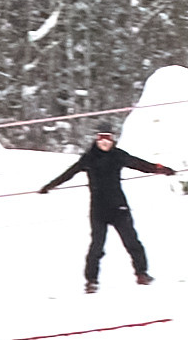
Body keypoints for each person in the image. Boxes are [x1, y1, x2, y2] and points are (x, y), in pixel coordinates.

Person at [40, 126, 173, 294]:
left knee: (132, 241)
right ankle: (91, 281)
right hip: (98, 210)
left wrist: (162, 169)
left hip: (119, 208)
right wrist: (50, 186)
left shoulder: (118, 156)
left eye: (107, 139)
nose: (104, 142)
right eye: (101, 139)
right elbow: (68, 174)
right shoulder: (89, 158)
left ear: (112, 140)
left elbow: (141, 165)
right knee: (97, 246)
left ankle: (142, 273)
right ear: (97, 140)